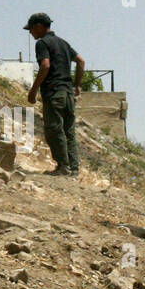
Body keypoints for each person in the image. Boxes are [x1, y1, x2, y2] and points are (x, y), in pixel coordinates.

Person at [24, 12, 85, 176]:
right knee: (69, 131)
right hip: (68, 94)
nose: (30, 33)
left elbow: (45, 66)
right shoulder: (63, 43)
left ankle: (63, 167)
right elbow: (80, 61)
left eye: (31, 29)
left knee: (54, 129)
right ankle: (74, 168)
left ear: (39, 26)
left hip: (54, 92)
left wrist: (34, 89)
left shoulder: (42, 43)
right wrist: (77, 85)